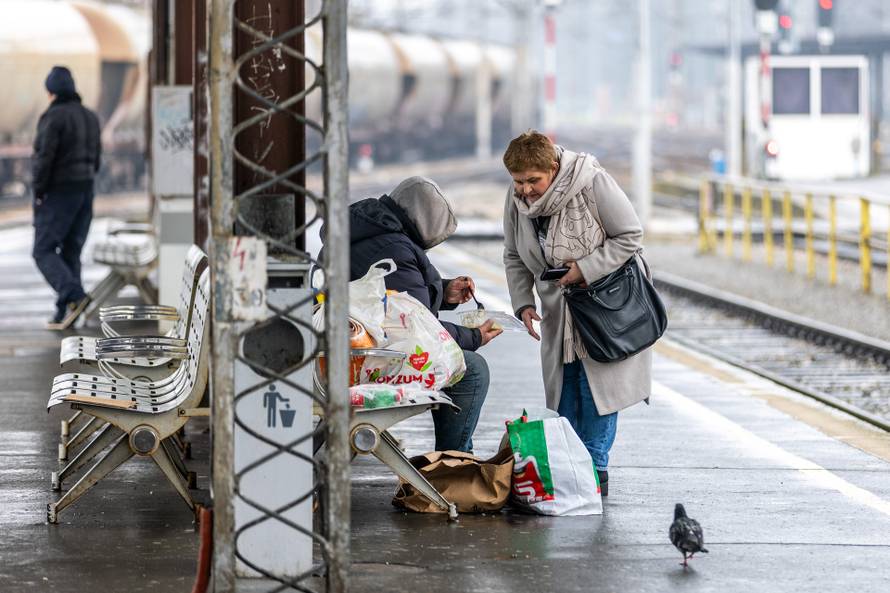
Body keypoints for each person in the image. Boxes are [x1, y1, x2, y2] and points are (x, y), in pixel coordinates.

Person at [501, 131, 652, 496]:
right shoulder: (517, 200)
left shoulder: (593, 182)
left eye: (533, 181)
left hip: (606, 308)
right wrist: (523, 302)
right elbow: (514, 255)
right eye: (518, 182)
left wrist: (584, 268)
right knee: (565, 392)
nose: (525, 190)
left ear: (553, 168)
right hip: (559, 312)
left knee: (598, 389)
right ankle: (571, 466)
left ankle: (595, 468)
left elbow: (630, 235)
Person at [347, 176, 503, 452]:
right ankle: (453, 461)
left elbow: (389, 300)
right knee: (471, 370)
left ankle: (456, 460)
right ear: (423, 222)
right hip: (371, 359)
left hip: (349, 348)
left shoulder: (366, 233)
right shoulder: (394, 248)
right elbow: (417, 328)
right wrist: (475, 336)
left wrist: (444, 292)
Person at [31, 66, 102, 329]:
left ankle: (75, 296)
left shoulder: (53, 117)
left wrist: (39, 191)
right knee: (71, 250)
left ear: (51, 92)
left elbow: (44, 159)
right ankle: (66, 312)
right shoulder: (90, 117)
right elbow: (97, 159)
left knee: (43, 250)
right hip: (86, 190)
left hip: (60, 191)